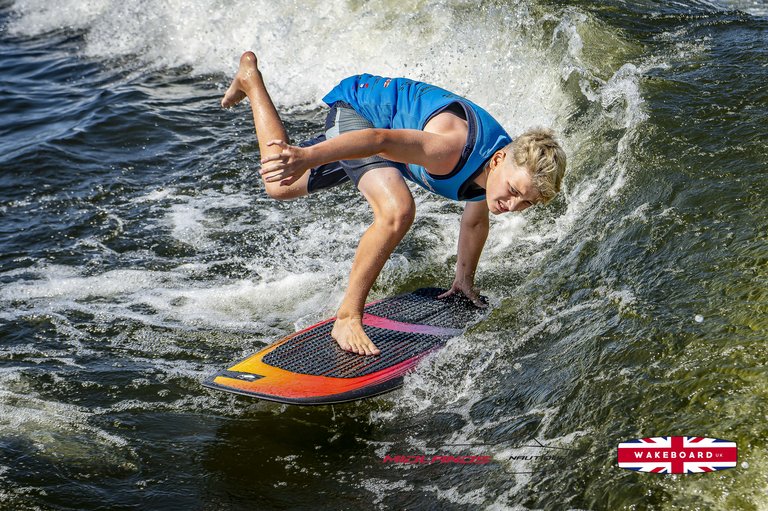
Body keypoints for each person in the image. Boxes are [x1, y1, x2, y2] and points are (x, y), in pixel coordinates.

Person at [221, 51, 566, 357]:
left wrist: (463, 280)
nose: (512, 204)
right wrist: (306, 156)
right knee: (397, 210)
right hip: (363, 114)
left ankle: (250, 79)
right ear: (497, 162)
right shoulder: (449, 149)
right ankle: (347, 318)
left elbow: (475, 221)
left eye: (526, 203)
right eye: (513, 191)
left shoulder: (497, 175)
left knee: (279, 185)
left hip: (392, 143)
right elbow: (378, 140)